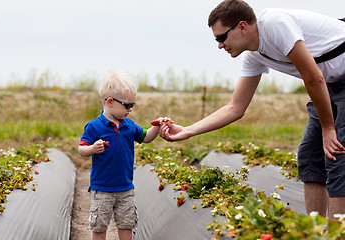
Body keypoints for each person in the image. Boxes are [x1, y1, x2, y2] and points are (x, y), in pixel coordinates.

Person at [160, 0, 345, 220]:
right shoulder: (254, 55)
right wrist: (189, 130)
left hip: (330, 80)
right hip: (331, 83)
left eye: (221, 37)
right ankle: (315, 229)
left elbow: (314, 77)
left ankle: (336, 234)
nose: (220, 45)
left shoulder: (275, 24)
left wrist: (328, 128)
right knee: (310, 157)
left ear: (242, 26)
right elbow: (235, 107)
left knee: (336, 156)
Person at [78, 72, 172, 240]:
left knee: (126, 224)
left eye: (132, 105)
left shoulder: (129, 125)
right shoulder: (94, 126)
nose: (130, 110)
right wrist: (92, 148)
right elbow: (81, 149)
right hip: (102, 188)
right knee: (99, 226)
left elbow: (146, 137)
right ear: (110, 102)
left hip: (126, 188)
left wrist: (158, 126)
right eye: (127, 105)